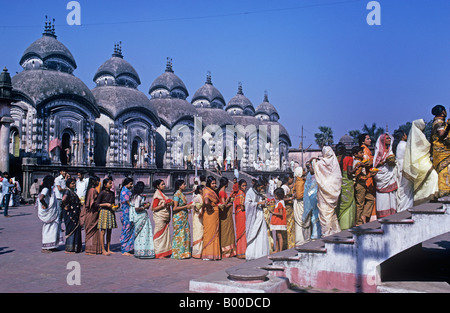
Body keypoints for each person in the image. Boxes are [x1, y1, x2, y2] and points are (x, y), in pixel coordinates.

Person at [403, 119, 439, 205]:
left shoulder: (417, 135)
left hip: (423, 161)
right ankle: (426, 197)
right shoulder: (418, 136)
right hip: (422, 162)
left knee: (427, 180)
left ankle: (427, 197)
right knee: (433, 176)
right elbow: (425, 146)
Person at [311, 146, 342, 237]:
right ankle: (333, 231)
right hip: (333, 190)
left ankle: (326, 233)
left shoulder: (320, 163)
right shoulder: (335, 163)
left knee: (324, 212)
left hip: (323, 190)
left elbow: (314, 168)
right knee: (331, 211)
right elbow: (338, 177)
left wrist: (313, 160)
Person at [373, 133, 398, 218]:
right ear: (383, 140)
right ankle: (383, 214)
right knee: (383, 197)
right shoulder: (379, 151)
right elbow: (375, 165)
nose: (389, 140)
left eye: (389, 138)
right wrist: (384, 161)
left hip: (389, 173)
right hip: (381, 175)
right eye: (387, 138)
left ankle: (392, 212)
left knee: (391, 194)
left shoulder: (390, 150)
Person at [245, 177, 270, 260]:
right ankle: (251, 253)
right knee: (253, 234)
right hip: (253, 217)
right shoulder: (250, 192)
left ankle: (260, 253)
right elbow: (248, 204)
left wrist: (263, 203)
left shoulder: (258, 192)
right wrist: (259, 203)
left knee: (261, 235)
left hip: (259, 215)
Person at [129, 181, 155, 259]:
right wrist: (145, 207)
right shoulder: (138, 197)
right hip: (140, 216)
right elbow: (137, 208)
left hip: (137, 216)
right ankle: (144, 251)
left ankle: (139, 251)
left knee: (139, 234)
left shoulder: (134, 196)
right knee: (143, 233)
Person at [38, 175, 62, 253]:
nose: (54, 182)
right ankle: (45, 247)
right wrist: (45, 204)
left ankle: (52, 245)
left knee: (53, 229)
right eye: (52, 181)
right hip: (49, 213)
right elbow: (41, 197)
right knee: (48, 229)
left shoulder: (50, 189)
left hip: (52, 213)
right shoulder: (46, 189)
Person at [352, 146, 376, 225]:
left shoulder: (360, 162)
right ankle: (358, 222)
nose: (362, 154)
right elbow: (358, 176)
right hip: (360, 185)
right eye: (361, 153)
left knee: (371, 199)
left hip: (363, 185)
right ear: (355, 154)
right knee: (360, 204)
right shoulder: (358, 164)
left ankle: (364, 215)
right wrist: (369, 176)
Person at [335, 143, 356, 230]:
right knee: (349, 203)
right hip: (347, 184)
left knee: (340, 203)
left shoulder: (335, 159)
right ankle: (346, 225)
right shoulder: (349, 158)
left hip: (338, 184)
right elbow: (349, 172)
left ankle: (340, 224)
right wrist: (358, 166)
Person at [430, 105, 450, 198]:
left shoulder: (437, 121)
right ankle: (444, 191)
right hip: (442, 152)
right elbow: (442, 134)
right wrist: (449, 126)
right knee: (444, 170)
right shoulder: (439, 122)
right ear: (442, 112)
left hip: (443, 151)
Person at [201, 176, 222, 261]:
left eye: (215, 183)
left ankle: (213, 254)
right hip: (210, 214)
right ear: (209, 183)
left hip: (213, 214)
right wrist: (210, 207)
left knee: (214, 233)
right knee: (209, 234)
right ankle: (208, 254)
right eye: (212, 183)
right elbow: (206, 201)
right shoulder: (207, 190)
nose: (214, 185)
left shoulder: (211, 191)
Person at [151, 179, 172, 258]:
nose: (164, 185)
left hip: (164, 217)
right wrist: (163, 205)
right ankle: (158, 253)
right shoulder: (157, 195)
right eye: (162, 184)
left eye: (164, 184)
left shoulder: (162, 194)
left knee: (164, 236)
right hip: (160, 217)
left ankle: (164, 252)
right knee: (159, 235)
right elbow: (154, 208)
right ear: (158, 186)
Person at [393, 130, 413, 212]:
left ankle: (400, 207)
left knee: (401, 189)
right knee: (407, 190)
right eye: (405, 134)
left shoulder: (396, 145)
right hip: (405, 168)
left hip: (398, 169)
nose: (406, 135)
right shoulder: (405, 145)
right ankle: (405, 208)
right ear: (402, 136)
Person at [96, 177, 117, 256]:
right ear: (105, 185)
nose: (111, 185)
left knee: (109, 231)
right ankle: (103, 249)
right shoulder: (102, 193)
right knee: (103, 231)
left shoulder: (111, 193)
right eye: (110, 183)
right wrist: (105, 204)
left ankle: (108, 248)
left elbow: (113, 203)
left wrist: (114, 206)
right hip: (104, 211)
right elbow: (97, 204)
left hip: (110, 212)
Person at [171, 179, 192, 259]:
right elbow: (175, 208)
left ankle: (184, 252)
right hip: (178, 218)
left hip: (184, 217)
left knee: (185, 234)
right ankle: (178, 253)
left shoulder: (181, 194)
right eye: (183, 184)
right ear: (179, 186)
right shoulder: (177, 195)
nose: (185, 185)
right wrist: (185, 207)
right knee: (179, 235)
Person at [61, 178, 82, 253]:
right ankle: (69, 248)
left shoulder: (71, 191)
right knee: (71, 229)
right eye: (72, 183)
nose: (74, 185)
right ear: (68, 184)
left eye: (74, 183)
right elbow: (63, 199)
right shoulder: (67, 191)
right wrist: (66, 205)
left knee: (75, 229)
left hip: (74, 213)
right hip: (70, 214)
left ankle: (74, 247)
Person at [83, 176, 103, 255]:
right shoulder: (93, 190)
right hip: (93, 213)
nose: (98, 183)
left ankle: (89, 249)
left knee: (90, 231)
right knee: (93, 230)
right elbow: (93, 203)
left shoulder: (89, 190)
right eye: (97, 181)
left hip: (89, 213)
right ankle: (92, 249)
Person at [218, 177, 237, 258]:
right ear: (226, 184)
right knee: (226, 232)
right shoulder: (222, 192)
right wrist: (230, 203)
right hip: (225, 215)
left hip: (225, 214)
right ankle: (226, 250)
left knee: (226, 231)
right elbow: (223, 205)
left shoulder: (222, 191)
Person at [359, 133, 377, 221]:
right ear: (363, 141)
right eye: (368, 139)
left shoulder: (367, 149)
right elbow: (367, 162)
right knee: (369, 198)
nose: (370, 140)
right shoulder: (364, 150)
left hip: (369, 175)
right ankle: (366, 217)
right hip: (367, 176)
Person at [303, 161, 321, 239]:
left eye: (310, 167)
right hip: (310, 199)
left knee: (317, 216)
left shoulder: (319, 175)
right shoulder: (309, 176)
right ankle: (314, 234)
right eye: (307, 168)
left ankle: (316, 234)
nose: (309, 169)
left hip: (317, 198)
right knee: (313, 216)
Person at [293, 166, 309, 245]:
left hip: (301, 202)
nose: (305, 171)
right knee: (300, 222)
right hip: (300, 203)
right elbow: (299, 195)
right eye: (303, 170)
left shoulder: (300, 181)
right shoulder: (300, 182)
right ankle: (300, 240)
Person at [119, 177, 134, 256]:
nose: (132, 185)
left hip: (127, 212)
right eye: (130, 184)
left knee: (129, 229)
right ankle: (124, 249)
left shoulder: (126, 191)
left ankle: (128, 247)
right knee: (126, 230)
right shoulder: (125, 192)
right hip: (126, 213)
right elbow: (129, 202)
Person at [269, 188, 287, 253]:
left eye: (275, 195)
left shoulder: (280, 203)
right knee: (277, 235)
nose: (275, 197)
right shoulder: (281, 202)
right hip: (278, 222)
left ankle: (280, 250)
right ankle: (277, 249)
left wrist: (273, 212)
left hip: (279, 222)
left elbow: (281, 213)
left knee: (279, 236)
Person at [233, 179, 247, 259]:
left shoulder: (238, 194)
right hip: (242, 214)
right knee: (243, 233)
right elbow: (242, 207)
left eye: (245, 186)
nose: (244, 187)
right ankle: (243, 251)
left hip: (238, 214)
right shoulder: (242, 194)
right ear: (239, 186)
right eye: (243, 186)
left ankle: (240, 251)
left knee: (240, 231)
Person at [281, 173, 295, 249]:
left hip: (290, 209)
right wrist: (290, 198)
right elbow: (281, 198)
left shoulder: (287, 187)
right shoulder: (284, 187)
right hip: (287, 209)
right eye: (292, 178)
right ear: (289, 178)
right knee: (288, 227)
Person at [191, 185, 205, 259]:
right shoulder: (197, 197)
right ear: (200, 190)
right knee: (198, 233)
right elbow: (194, 206)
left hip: (202, 217)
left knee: (202, 232)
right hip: (197, 217)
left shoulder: (203, 196)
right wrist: (198, 210)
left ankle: (202, 250)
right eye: (203, 188)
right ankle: (197, 252)